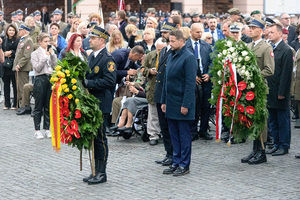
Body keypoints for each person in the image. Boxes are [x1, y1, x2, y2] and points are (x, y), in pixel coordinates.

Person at [82, 25, 117, 185]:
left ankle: (102, 173)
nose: (90, 40)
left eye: (93, 38)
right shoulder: (91, 57)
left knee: (101, 138)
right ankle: (95, 170)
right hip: (92, 103)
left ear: (102, 40)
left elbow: (110, 81)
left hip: (101, 102)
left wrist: (89, 83)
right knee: (94, 138)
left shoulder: (107, 59)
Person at [161, 30, 197, 176]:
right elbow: (166, 80)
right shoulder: (171, 55)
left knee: (184, 136)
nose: (171, 44)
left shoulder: (188, 57)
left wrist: (186, 104)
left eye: (173, 41)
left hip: (182, 103)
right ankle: (176, 162)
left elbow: (190, 84)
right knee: (174, 135)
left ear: (182, 41)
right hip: (171, 102)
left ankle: (184, 164)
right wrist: (163, 100)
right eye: (170, 41)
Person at [241, 18, 275, 165]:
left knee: (261, 121)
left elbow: (270, 69)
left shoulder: (266, 47)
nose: (250, 29)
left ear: (260, 31)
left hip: (259, 88)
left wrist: (253, 75)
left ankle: (261, 152)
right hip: (248, 88)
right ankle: (254, 150)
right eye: (249, 27)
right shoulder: (248, 46)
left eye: (253, 28)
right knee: (252, 119)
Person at [265, 23, 294, 156]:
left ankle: (284, 145)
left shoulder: (286, 50)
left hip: (280, 92)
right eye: (268, 32)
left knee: (283, 120)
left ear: (279, 34)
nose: (269, 34)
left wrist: (282, 92)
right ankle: (276, 144)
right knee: (273, 120)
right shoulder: (270, 48)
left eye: (272, 32)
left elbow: (286, 74)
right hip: (270, 90)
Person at [154, 21, 177, 166]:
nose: (163, 34)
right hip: (160, 92)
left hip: (168, 94)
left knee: (170, 126)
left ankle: (174, 154)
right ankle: (168, 152)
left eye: (166, 32)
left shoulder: (176, 51)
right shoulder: (163, 50)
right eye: (162, 32)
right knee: (163, 126)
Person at [186, 23, 213, 141]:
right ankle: (193, 131)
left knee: (206, 106)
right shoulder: (185, 46)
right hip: (192, 82)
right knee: (194, 107)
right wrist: (192, 76)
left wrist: (209, 74)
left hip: (205, 80)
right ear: (191, 32)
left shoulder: (206, 46)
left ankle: (203, 130)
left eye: (201, 32)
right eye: (197, 32)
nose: (200, 34)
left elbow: (212, 61)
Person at [31, 33, 57, 139]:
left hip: (50, 78)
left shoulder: (50, 51)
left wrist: (52, 55)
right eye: (45, 41)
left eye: (48, 41)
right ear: (40, 42)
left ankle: (47, 128)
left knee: (48, 105)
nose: (47, 44)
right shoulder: (35, 53)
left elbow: (55, 66)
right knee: (38, 105)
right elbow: (37, 68)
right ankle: (37, 129)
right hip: (40, 79)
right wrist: (45, 58)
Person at [141, 38, 167, 145]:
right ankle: (153, 135)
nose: (160, 52)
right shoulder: (150, 55)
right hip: (152, 87)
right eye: (158, 49)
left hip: (164, 87)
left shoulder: (169, 55)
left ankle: (165, 134)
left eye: (162, 49)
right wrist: (149, 71)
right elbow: (142, 69)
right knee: (153, 112)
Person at [13, 24, 34, 113]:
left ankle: (25, 106)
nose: (19, 31)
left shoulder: (28, 40)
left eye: (20, 30)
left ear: (25, 30)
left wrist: (19, 65)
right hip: (19, 67)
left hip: (23, 68)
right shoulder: (23, 40)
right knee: (19, 87)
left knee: (23, 87)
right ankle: (21, 104)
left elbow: (26, 56)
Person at [1, 24, 19, 110]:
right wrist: (4, 53)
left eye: (12, 30)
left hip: (13, 64)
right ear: (7, 31)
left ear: (15, 31)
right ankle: (7, 103)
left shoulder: (17, 40)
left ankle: (15, 103)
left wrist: (12, 52)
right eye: (9, 30)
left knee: (15, 85)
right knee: (6, 85)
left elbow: (19, 52)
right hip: (5, 65)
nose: (11, 32)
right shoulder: (4, 40)